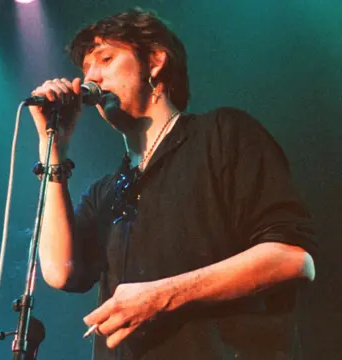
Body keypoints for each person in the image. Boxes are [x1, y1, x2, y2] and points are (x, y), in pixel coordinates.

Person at [29, 7, 317, 359]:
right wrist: (52, 147)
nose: (91, 78)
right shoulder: (105, 192)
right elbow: (60, 273)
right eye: (86, 68)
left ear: (155, 61)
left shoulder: (223, 135)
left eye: (105, 59)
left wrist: (162, 296)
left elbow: (292, 259)